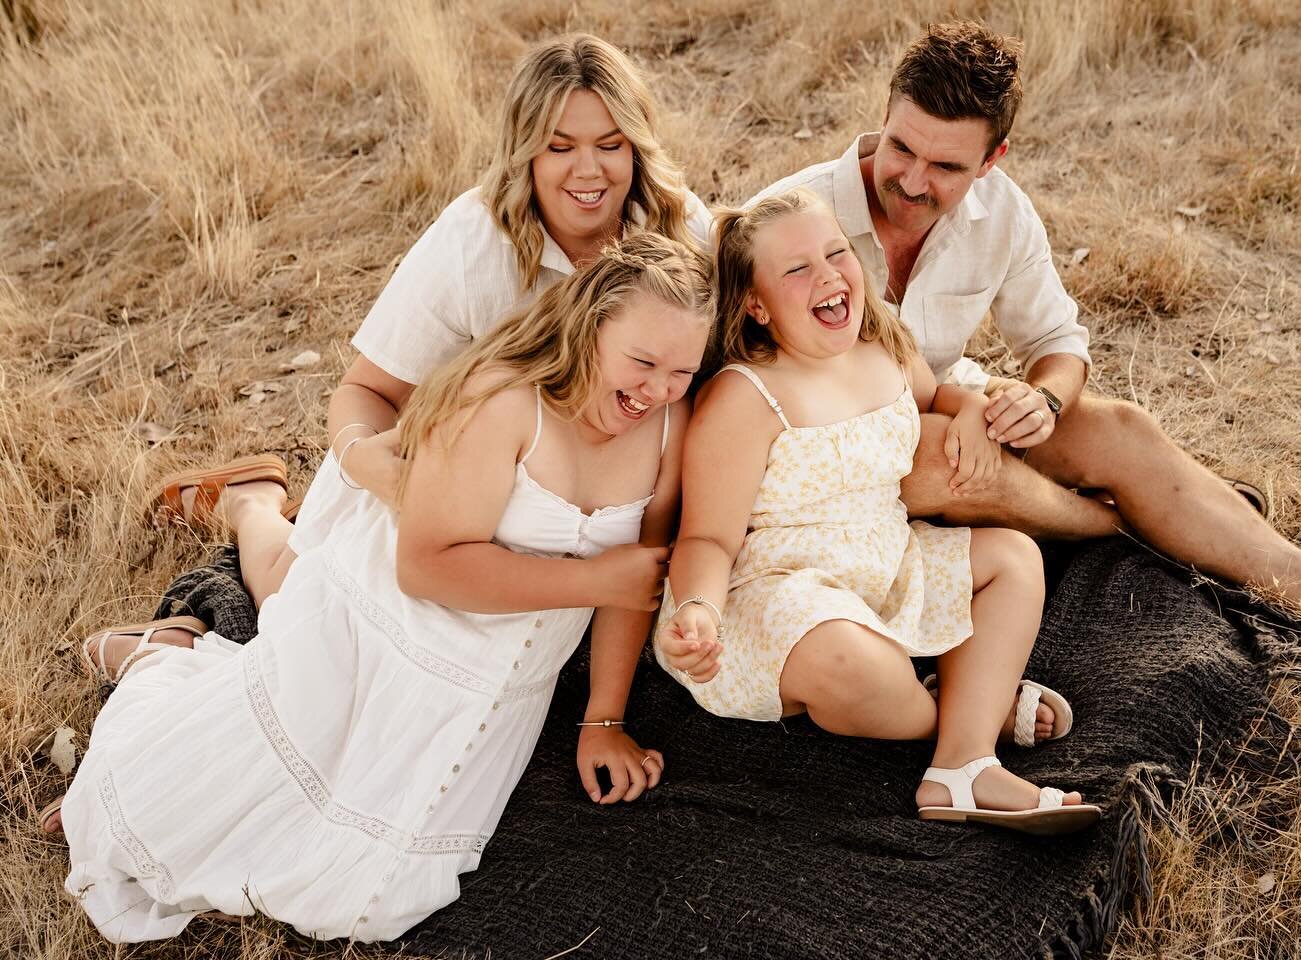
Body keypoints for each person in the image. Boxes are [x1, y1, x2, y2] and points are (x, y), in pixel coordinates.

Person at [50, 234, 712, 942]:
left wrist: (603, 720)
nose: (658, 390)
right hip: (384, 641)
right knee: (187, 818)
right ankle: (197, 597)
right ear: (590, 328)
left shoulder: (669, 427)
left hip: (492, 688)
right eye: (643, 362)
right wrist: (590, 578)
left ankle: (208, 580)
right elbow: (426, 567)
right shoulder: (507, 403)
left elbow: (633, 584)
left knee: (373, 898)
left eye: (681, 371)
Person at [747, 19, 1301, 662]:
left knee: (1117, 428)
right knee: (933, 455)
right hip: (826, 462)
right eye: (902, 147)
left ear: (992, 159)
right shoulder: (789, 219)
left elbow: (1056, 340)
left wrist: (1042, 401)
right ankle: (1123, 528)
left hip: (945, 405)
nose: (912, 181)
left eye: (948, 168)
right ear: (886, 115)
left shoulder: (1002, 213)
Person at [137, 31, 711, 621]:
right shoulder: (473, 241)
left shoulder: (679, 225)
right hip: (458, 480)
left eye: (610, 144)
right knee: (293, 604)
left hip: (599, 488)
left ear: (636, 148)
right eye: (559, 147)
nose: (587, 171)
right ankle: (252, 503)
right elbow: (366, 391)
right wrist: (374, 468)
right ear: (525, 153)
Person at [655, 189, 1100, 834]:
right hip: (783, 595)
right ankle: (964, 708)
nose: (829, 275)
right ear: (756, 304)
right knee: (850, 662)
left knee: (1013, 556)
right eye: (797, 269)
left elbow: (942, 394)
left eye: (837, 252)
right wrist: (699, 609)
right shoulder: (745, 396)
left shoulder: (882, 351)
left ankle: (961, 764)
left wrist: (973, 410)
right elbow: (707, 538)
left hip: (887, 563)